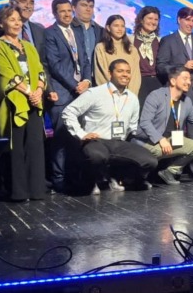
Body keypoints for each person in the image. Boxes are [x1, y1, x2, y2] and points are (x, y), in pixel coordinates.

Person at [63, 58, 156, 192]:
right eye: (120, 71)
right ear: (110, 73)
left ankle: (114, 176)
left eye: (128, 72)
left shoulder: (132, 98)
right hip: (96, 140)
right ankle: (92, 180)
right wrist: (81, 134)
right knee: (97, 156)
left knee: (150, 161)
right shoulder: (95, 93)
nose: (125, 74)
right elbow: (68, 112)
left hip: (118, 142)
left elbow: (133, 127)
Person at [0, 4, 47, 201]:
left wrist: (39, 90)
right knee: (17, 148)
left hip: (34, 101)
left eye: (19, 20)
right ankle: (19, 192)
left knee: (35, 145)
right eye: (11, 19)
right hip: (14, 103)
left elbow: (39, 70)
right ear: (1, 23)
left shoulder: (28, 46)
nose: (17, 23)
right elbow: (6, 75)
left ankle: (37, 190)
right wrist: (30, 92)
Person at [134, 66, 193, 185]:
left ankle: (169, 172)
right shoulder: (156, 96)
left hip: (170, 140)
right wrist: (160, 139)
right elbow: (145, 122)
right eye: (185, 78)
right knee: (157, 152)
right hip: (149, 141)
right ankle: (141, 174)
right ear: (173, 81)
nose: (189, 82)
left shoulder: (186, 101)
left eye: (190, 79)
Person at [44, 0, 93, 192]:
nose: (66, 14)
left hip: (81, 92)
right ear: (55, 13)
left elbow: (86, 60)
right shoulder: (50, 33)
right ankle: (58, 179)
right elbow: (54, 65)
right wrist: (75, 85)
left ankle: (74, 176)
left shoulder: (77, 31)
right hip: (63, 92)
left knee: (77, 138)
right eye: (61, 11)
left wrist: (87, 81)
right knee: (61, 139)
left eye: (68, 11)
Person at [156, 7, 193, 142]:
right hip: (176, 93)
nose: (191, 24)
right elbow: (161, 67)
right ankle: (177, 162)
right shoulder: (168, 40)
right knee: (176, 132)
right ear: (179, 20)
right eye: (187, 20)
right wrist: (183, 67)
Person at [0, 0, 46, 65]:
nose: (28, 6)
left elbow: (45, 61)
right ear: (11, 3)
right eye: (23, 1)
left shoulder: (40, 29)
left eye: (31, 3)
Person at [94, 14, 141, 95]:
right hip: (108, 95)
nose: (120, 29)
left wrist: (130, 95)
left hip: (128, 96)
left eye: (122, 26)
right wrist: (113, 94)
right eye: (116, 26)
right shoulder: (101, 48)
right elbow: (101, 74)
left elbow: (135, 76)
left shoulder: (132, 49)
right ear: (108, 28)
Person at [132, 6, 162, 105]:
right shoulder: (130, 41)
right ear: (141, 20)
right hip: (138, 83)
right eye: (150, 18)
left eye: (156, 19)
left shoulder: (160, 41)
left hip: (157, 83)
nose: (153, 22)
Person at [71, 0, 103, 83]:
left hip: (96, 79)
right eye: (84, 5)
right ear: (73, 7)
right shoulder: (68, 29)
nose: (88, 9)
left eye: (91, 6)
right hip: (74, 79)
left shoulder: (101, 31)